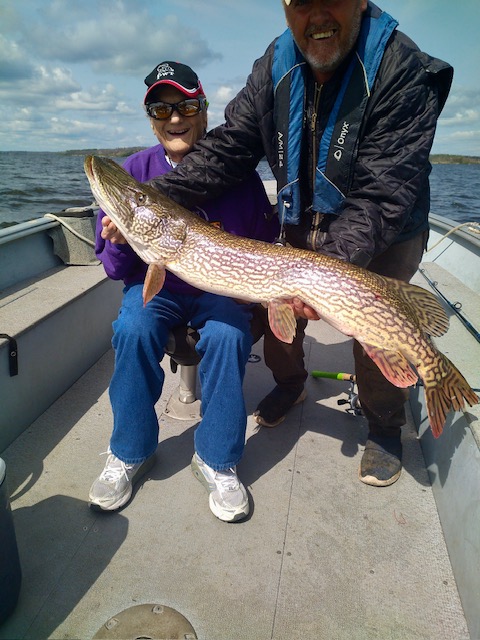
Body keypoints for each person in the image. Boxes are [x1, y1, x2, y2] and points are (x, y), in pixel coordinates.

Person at [147, 1, 453, 487]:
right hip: (304, 215)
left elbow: (383, 194)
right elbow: (229, 149)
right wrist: (158, 195)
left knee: (372, 328)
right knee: (279, 315)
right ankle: (290, 387)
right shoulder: (275, 63)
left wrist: (324, 274)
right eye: (301, 3)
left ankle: (383, 428)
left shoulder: (402, 69)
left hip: (387, 222)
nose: (317, 16)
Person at [89, 61, 278, 521]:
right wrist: (117, 239)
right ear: (150, 116)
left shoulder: (238, 173)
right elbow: (115, 270)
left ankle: (217, 459)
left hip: (215, 289)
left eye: (186, 106)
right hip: (156, 285)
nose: (175, 118)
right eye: (161, 108)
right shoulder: (134, 172)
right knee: (132, 328)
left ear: (204, 109)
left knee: (229, 336)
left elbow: (266, 238)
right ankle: (130, 451)